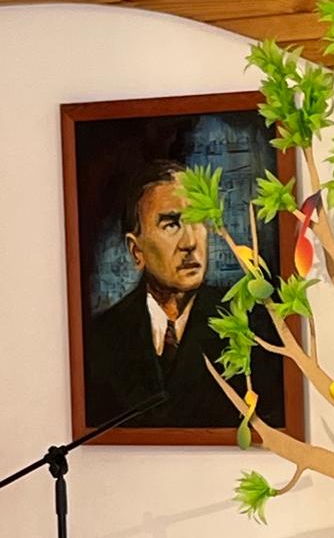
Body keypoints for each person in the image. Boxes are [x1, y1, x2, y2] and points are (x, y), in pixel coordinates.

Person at [83, 158, 228, 430]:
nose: (190, 242)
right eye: (171, 225)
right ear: (136, 251)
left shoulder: (251, 328)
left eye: (198, 219)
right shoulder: (100, 342)